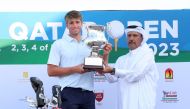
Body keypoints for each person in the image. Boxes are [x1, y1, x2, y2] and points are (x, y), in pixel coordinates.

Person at [47, 10, 111, 109]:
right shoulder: (58, 44)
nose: (75, 25)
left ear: (82, 24)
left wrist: (106, 55)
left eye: (77, 22)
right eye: (71, 23)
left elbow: (102, 70)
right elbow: (51, 71)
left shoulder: (90, 44)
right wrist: (75, 69)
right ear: (67, 25)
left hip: (89, 93)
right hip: (68, 92)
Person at [102, 25, 159, 109]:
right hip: (125, 104)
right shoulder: (122, 59)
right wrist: (105, 57)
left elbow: (136, 75)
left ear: (142, 38)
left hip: (143, 105)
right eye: (129, 35)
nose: (131, 38)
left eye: (135, 35)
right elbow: (111, 79)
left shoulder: (148, 54)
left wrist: (113, 70)